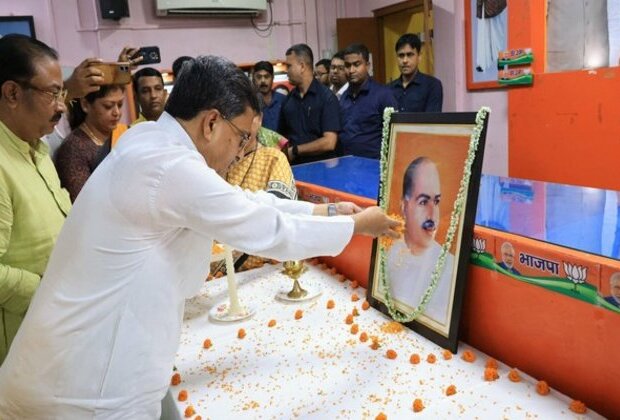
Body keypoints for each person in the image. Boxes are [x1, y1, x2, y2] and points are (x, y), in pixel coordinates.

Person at [0, 55, 400, 418]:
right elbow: (265, 228)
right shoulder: (168, 165)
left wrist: (324, 210)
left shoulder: (149, 140)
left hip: (79, 363)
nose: (242, 151)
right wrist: (358, 227)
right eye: (242, 137)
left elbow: (240, 200)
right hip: (84, 389)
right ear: (211, 122)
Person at [0, 35, 72, 363]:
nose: (61, 106)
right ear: (12, 93)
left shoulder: (39, 148)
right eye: (52, 93)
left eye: (62, 93)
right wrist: (44, 290)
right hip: (23, 340)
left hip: (60, 321)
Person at [386, 157, 454, 326]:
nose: (432, 214)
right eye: (423, 202)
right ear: (404, 206)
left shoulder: (450, 266)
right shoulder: (386, 252)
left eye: (436, 201)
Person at [55, 84, 126, 202]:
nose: (117, 112)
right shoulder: (74, 149)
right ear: (85, 105)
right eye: (108, 106)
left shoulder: (124, 135)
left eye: (120, 105)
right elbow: (82, 203)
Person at [279, 43, 340, 164]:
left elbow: (329, 142)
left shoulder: (327, 98)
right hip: (295, 171)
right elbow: (281, 138)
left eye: (289, 66)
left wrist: (296, 150)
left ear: (302, 66)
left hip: (322, 171)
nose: (287, 71)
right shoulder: (288, 100)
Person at [339, 43, 397, 159]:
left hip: (373, 165)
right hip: (347, 164)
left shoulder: (383, 94)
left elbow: (394, 135)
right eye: (347, 65)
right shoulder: (344, 96)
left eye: (356, 64)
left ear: (368, 65)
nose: (351, 70)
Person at [388, 33, 443, 112]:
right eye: (401, 55)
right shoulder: (389, 89)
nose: (405, 60)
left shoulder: (432, 85)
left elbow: (432, 120)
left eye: (410, 55)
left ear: (419, 56)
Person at [252, 60, 286, 132]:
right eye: (259, 77)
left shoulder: (284, 100)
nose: (263, 81)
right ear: (253, 79)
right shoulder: (250, 104)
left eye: (267, 76)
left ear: (273, 78)